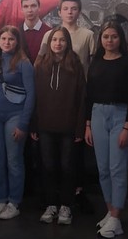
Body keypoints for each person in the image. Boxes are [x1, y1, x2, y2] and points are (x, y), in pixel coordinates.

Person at [85, 20, 128, 238]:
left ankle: (117, 217)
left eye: (114, 36)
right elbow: (89, 95)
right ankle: (110, 212)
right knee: (103, 168)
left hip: (120, 115)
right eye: (106, 36)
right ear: (101, 39)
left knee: (117, 168)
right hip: (97, 114)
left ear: (121, 39)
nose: (110, 40)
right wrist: (87, 124)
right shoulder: (96, 63)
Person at [0, 26, 35, 219]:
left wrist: (23, 124)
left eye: (11, 39)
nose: (7, 42)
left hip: (15, 116)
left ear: (17, 42)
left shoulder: (24, 64)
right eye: (3, 39)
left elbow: (31, 95)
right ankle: (1, 199)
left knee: (13, 160)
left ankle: (14, 202)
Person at [31, 27, 86, 225]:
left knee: (67, 166)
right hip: (45, 125)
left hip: (68, 127)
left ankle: (66, 205)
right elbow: (34, 97)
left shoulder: (75, 65)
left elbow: (82, 98)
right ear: (49, 42)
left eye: (62, 40)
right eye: (54, 39)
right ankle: (51, 204)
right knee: (48, 166)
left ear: (67, 43)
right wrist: (34, 125)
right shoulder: (41, 65)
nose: (58, 43)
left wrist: (80, 127)